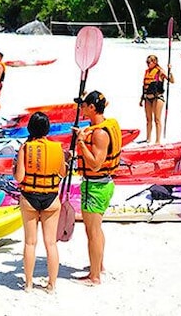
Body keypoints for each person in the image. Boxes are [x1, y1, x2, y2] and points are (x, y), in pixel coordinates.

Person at [13, 112, 66, 293]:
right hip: (51, 199)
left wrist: (14, 171)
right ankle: (51, 285)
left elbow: (19, 177)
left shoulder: (25, 148)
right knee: (51, 243)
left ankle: (28, 284)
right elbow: (63, 173)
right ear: (47, 129)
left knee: (30, 243)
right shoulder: (57, 148)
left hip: (29, 198)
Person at [74, 90, 121, 286]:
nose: (81, 108)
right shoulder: (105, 124)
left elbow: (95, 163)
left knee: (92, 232)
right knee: (95, 229)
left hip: (96, 185)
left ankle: (94, 277)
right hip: (101, 184)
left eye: (84, 105)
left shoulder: (100, 133)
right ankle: (98, 265)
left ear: (92, 108)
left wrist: (82, 143)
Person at [140, 55, 174, 144]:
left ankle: (158, 140)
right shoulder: (147, 72)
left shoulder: (160, 72)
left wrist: (170, 71)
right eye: (146, 62)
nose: (147, 64)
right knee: (148, 119)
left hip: (157, 97)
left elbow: (171, 81)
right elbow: (145, 87)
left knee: (157, 119)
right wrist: (141, 99)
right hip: (147, 98)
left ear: (154, 62)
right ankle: (148, 139)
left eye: (149, 62)